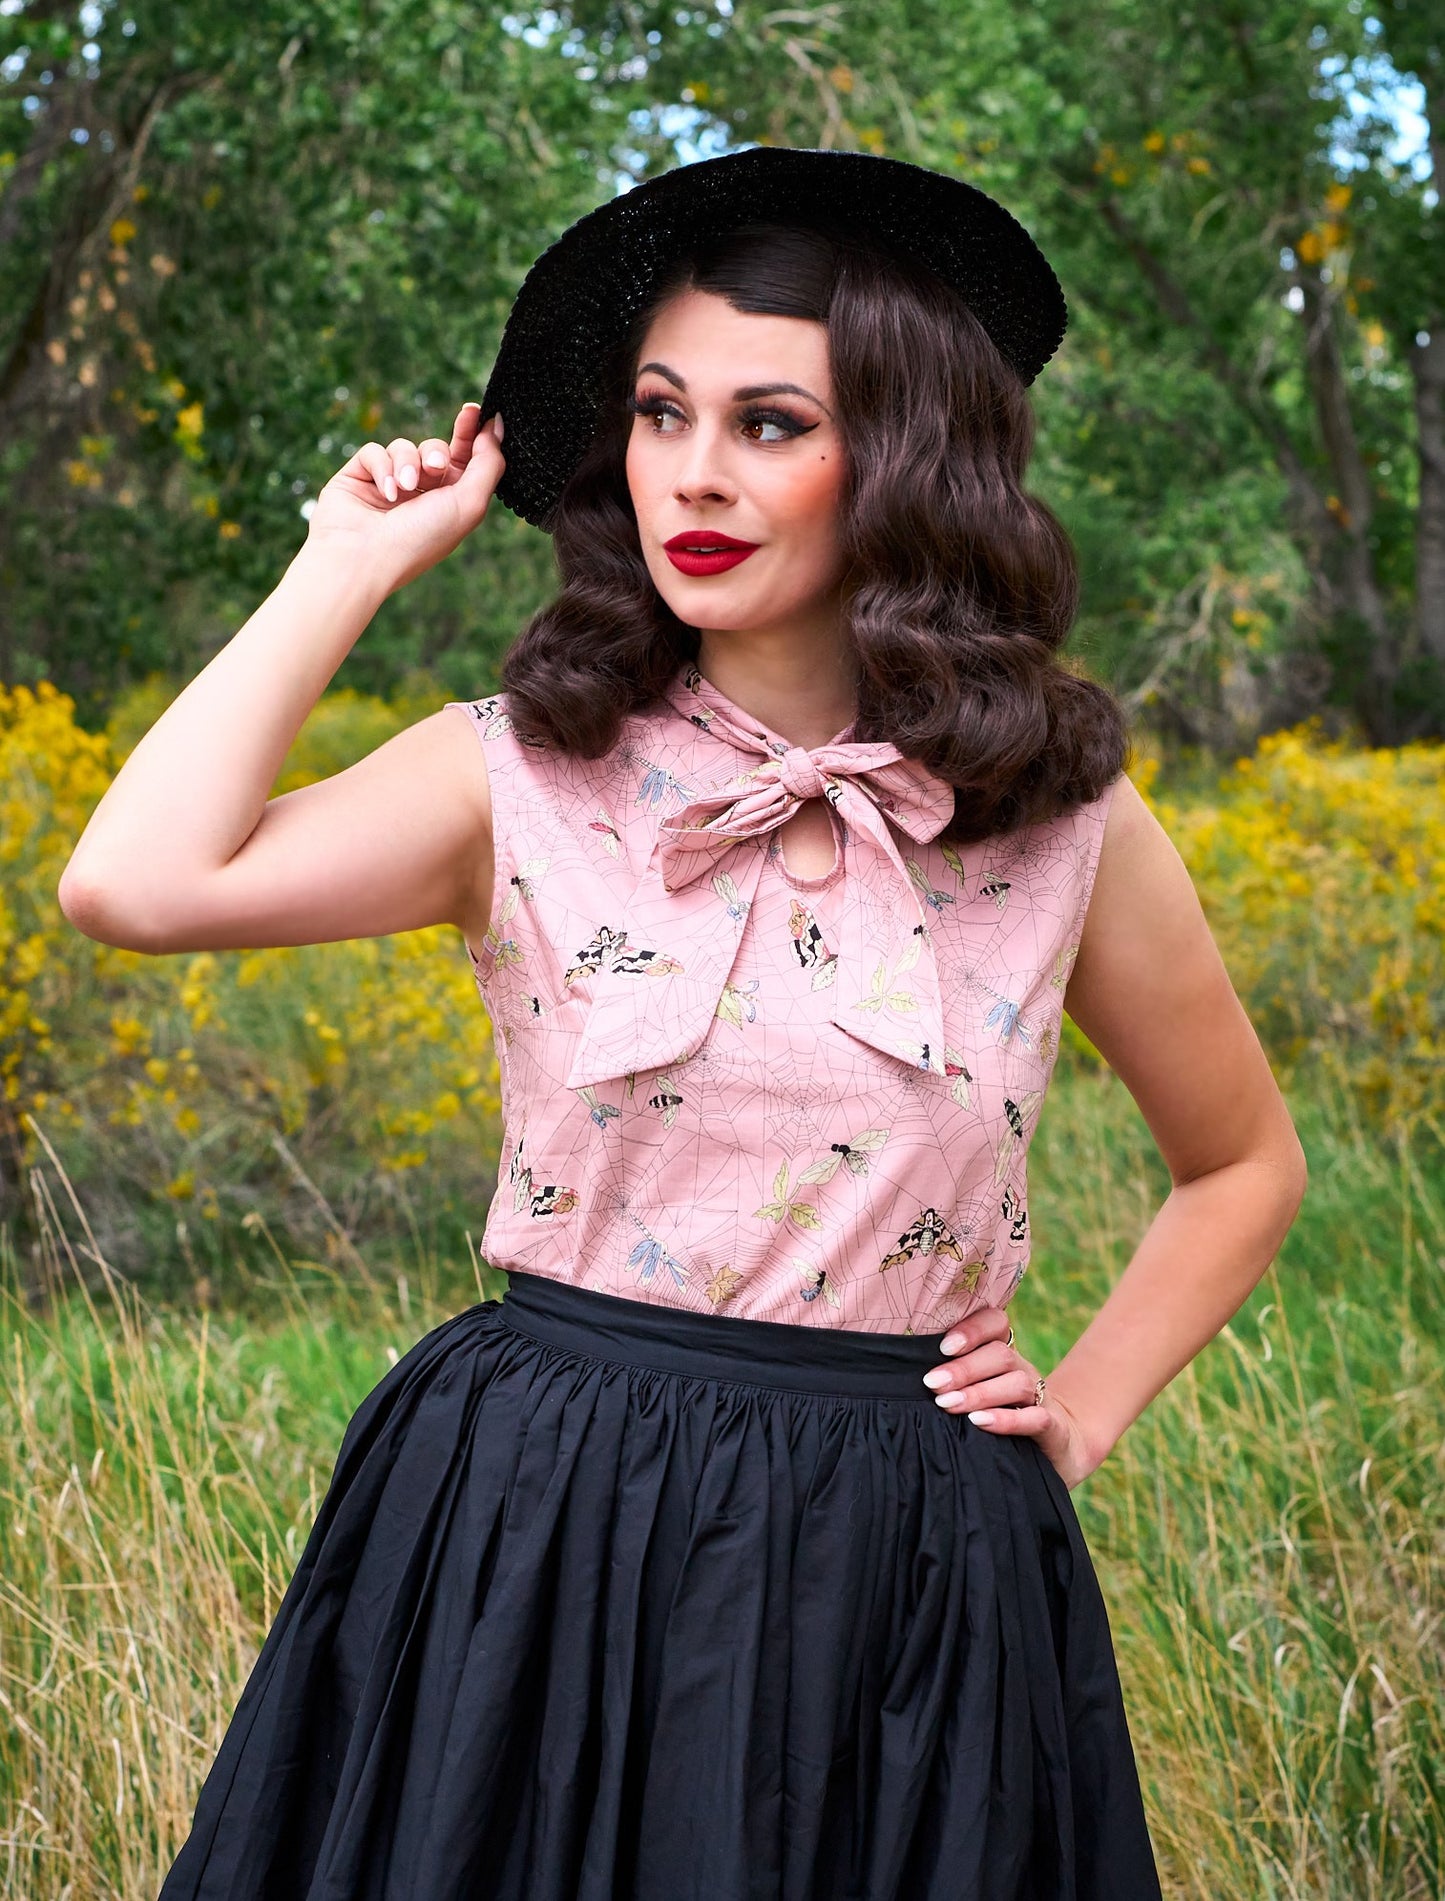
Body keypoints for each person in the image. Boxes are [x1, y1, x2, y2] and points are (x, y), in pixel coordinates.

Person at [60, 146, 1307, 1900]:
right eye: (659, 414)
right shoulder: (520, 773)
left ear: (905, 453)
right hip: (536, 1516)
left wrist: (1079, 1415)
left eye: (769, 423)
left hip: (905, 1556)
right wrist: (345, 566)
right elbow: (132, 885)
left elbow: (1242, 1159)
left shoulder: (1060, 821)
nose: (694, 476)